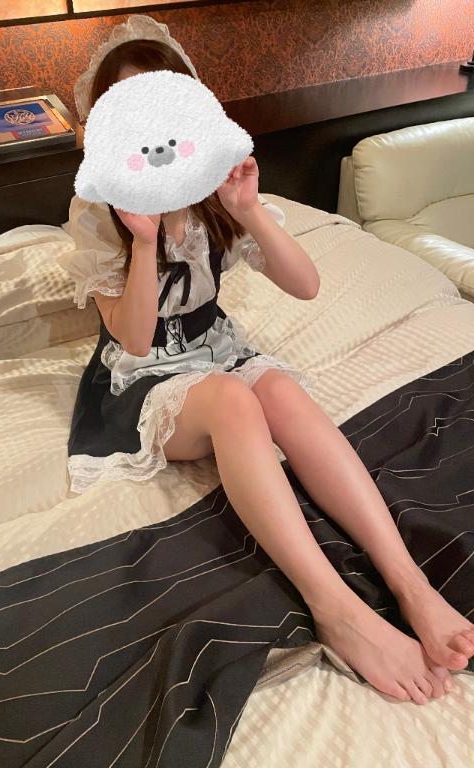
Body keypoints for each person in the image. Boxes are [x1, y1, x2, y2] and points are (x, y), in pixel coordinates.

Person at [58, 13, 474, 705]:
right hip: (144, 376)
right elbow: (132, 339)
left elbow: (306, 285)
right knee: (234, 399)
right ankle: (335, 608)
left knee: (276, 388)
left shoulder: (216, 189)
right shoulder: (97, 210)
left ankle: (409, 582)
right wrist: (143, 240)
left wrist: (248, 210)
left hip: (215, 348)